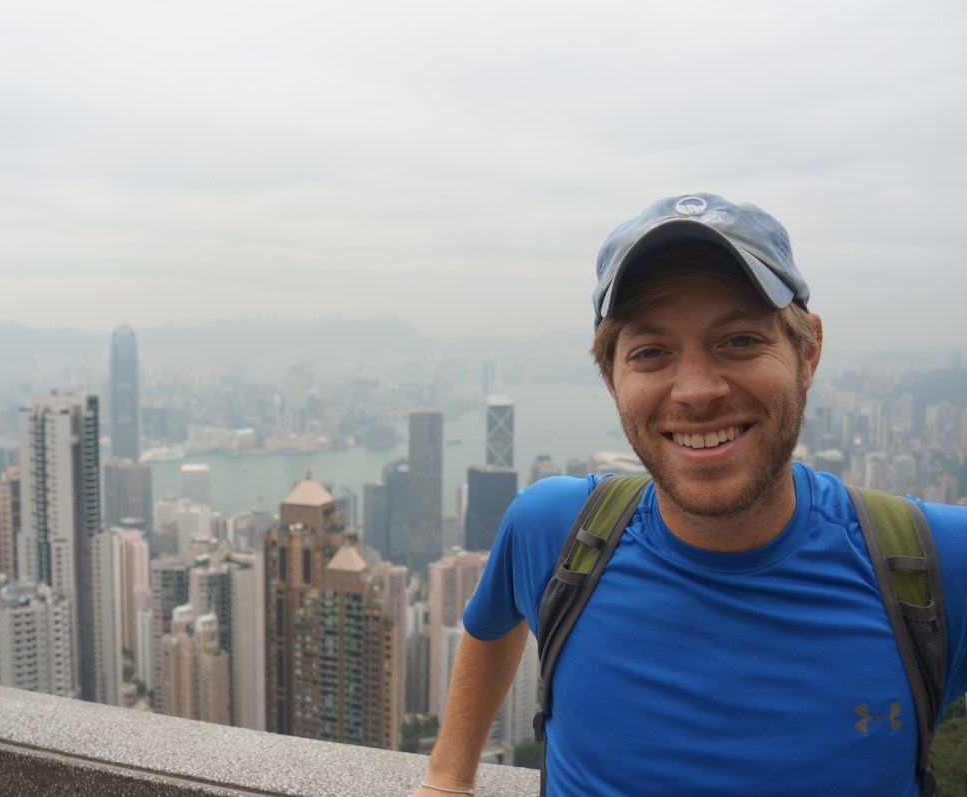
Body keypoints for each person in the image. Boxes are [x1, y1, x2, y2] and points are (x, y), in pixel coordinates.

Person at [413, 193, 967, 797]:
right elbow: (488, 627)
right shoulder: (555, 530)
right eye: (651, 353)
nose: (697, 391)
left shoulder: (934, 561)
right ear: (612, 378)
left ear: (807, 353)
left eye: (740, 340)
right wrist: (447, 778)